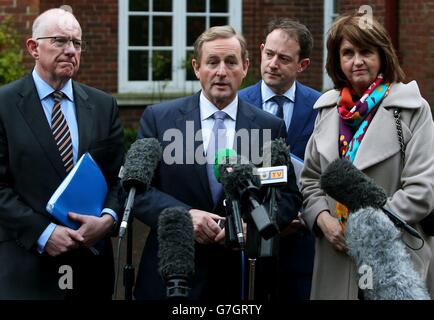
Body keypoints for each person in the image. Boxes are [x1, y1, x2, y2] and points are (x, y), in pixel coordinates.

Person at [132, 25, 302, 300]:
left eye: (231, 62)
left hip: (240, 278)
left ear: (245, 67)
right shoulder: (159, 119)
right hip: (174, 274)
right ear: (197, 67)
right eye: (212, 62)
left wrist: (253, 226)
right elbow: (136, 191)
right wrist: (185, 216)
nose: (221, 71)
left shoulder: (270, 127)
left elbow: (286, 195)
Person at [300, 12, 434, 300]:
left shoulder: (412, 109)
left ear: (382, 56)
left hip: (393, 258)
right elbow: (310, 181)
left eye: (366, 51)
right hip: (336, 259)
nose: (357, 61)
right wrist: (323, 219)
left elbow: (422, 190)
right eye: (347, 53)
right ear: (337, 61)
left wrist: (365, 231)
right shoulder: (327, 110)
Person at [0, 8, 124, 299]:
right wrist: (43, 233)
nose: (70, 50)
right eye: (59, 41)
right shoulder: (4, 106)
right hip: (26, 267)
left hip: (91, 269)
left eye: (77, 43)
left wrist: (107, 219)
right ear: (33, 47)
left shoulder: (103, 106)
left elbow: (121, 177)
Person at [239, 17, 320, 300]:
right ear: (261, 50)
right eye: (269, 54)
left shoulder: (322, 108)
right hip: (248, 247)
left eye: (284, 58)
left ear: (303, 65)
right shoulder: (236, 105)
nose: (272, 64)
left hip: (302, 246)